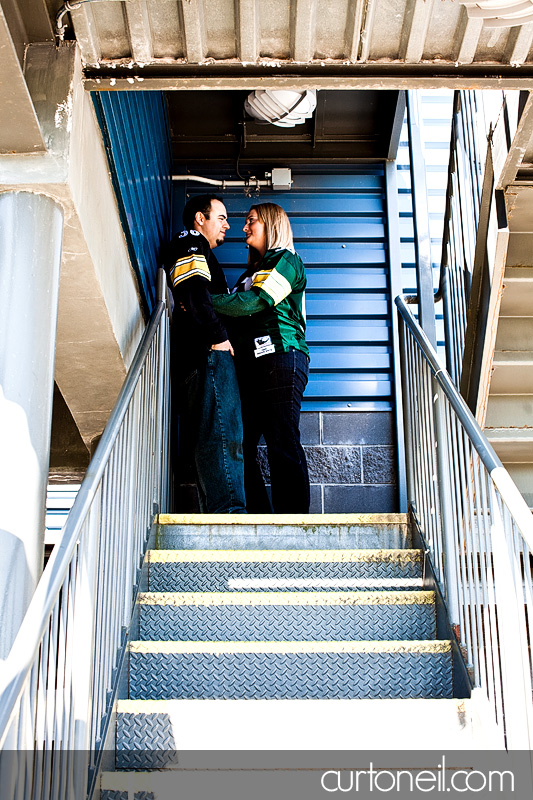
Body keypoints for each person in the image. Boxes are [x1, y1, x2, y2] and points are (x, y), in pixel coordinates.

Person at [211, 202, 310, 513]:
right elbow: (236, 313)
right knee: (242, 444)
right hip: (251, 367)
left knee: (282, 437)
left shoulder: (287, 260)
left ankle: (293, 524)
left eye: (251, 221)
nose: (244, 227)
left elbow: (255, 302)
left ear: (271, 224)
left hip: (282, 357)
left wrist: (202, 301)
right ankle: (262, 520)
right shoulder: (249, 273)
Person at [164, 194, 246, 514]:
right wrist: (218, 338)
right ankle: (228, 515)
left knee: (216, 433)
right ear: (200, 219)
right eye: (221, 217)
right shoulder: (192, 239)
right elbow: (193, 288)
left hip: (203, 356)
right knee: (222, 434)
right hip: (208, 355)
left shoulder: (199, 248)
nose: (228, 224)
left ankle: (220, 512)